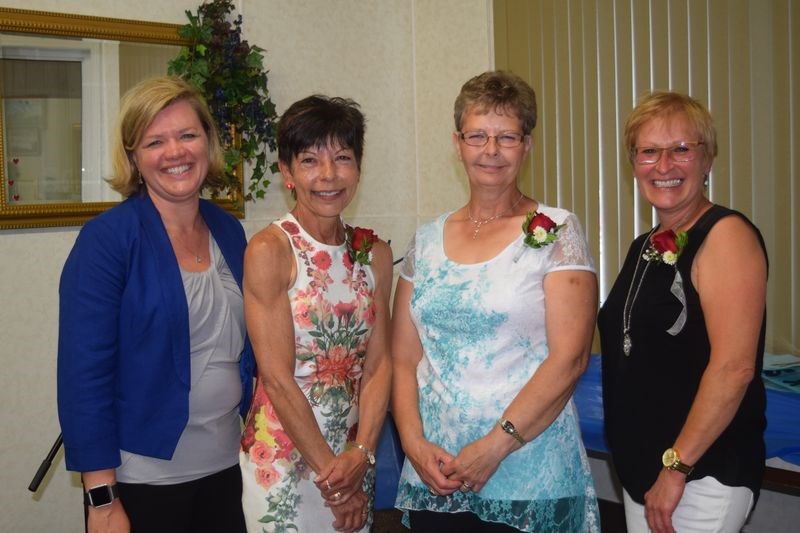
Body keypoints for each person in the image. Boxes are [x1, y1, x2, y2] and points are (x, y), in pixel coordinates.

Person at [391, 70, 600, 532]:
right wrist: (412, 441)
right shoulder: (424, 241)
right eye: (478, 136)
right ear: (457, 143)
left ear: (526, 145)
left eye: (506, 136)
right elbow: (402, 358)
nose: (490, 150)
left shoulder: (558, 231)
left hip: (528, 472)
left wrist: (495, 446)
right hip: (436, 472)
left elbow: (571, 359)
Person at [57, 76, 255, 533]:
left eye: (188, 135)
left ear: (208, 142)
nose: (176, 152)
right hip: (141, 480)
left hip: (228, 468)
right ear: (134, 157)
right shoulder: (107, 241)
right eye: (155, 141)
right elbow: (83, 376)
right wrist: (102, 499)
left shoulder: (229, 231)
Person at [598, 91, 768, 533]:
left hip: (698, 475)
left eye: (681, 150)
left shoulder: (726, 236)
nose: (664, 165)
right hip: (647, 475)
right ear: (633, 164)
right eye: (648, 151)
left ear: (707, 159)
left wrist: (677, 468)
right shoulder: (647, 245)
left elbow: (734, 368)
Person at [239, 95, 392, 533]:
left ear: (359, 167)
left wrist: (361, 454)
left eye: (342, 158)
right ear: (287, 172)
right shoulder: (270, 250)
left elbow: (380, 365)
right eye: (310, 160)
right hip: (285, 461)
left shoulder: (374, 253)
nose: (328, 176)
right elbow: (277, 378)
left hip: (352, 457)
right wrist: (337, 483)